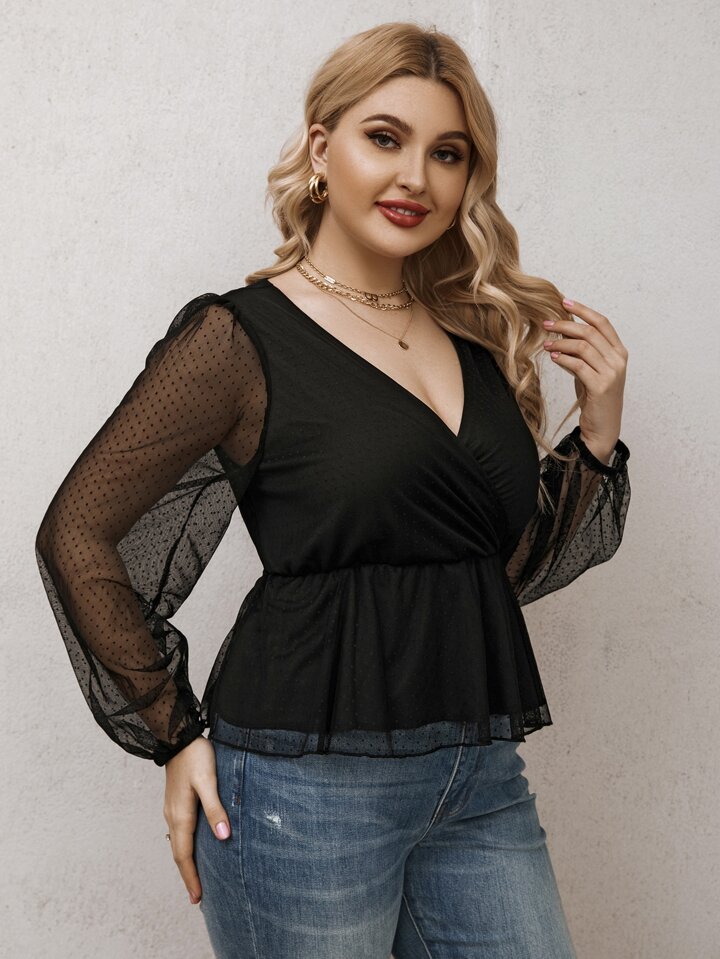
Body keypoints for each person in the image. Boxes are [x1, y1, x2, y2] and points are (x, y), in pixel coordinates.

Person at [34, 20, 631, 959]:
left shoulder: (472, 338)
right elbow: (77, 529)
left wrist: (595, 435)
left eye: (447, 154)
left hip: (477, 781)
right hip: (299, 792)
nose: (415, 178)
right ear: (322, 149)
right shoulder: (240, 338)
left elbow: (494, 569)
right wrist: (174, 732)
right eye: (385, 138)